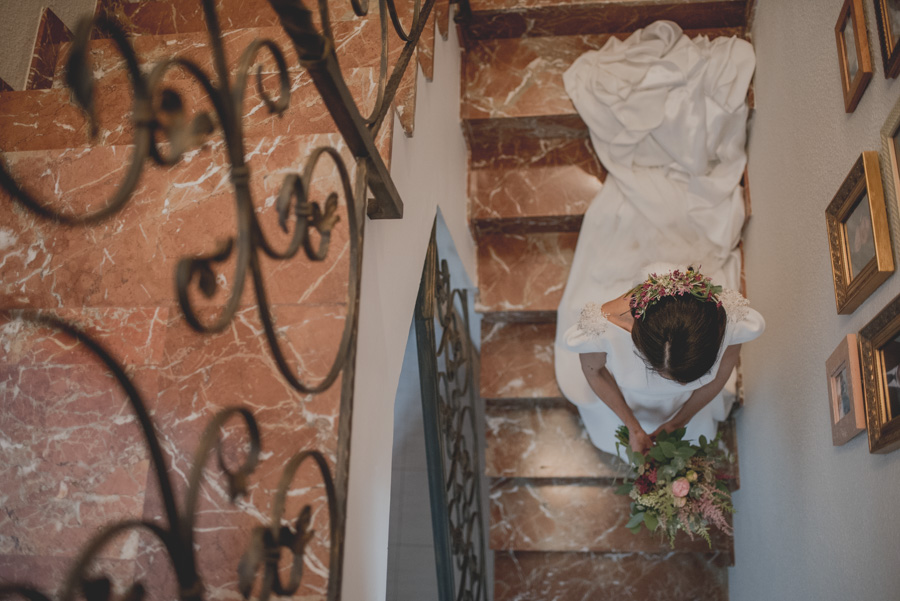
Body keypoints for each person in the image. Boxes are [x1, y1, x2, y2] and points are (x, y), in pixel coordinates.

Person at [553, 21, 765, 456]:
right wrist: (632, 425)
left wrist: (678, 419)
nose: (665, 383)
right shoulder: (602, 323)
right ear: (631, 326)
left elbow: (721, 375)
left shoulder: (735, 322)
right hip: (647, 308)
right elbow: (595, 375)